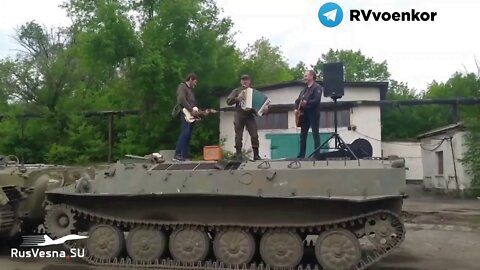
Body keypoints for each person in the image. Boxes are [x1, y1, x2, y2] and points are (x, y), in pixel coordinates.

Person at [226, 74, 265, 160]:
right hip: (239, 114)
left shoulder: (253, 92)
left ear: (249, 81)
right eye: (243, 80)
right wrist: (237, 99)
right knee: (238, 135)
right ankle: (238, 154)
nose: (245, 81)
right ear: (241, 81)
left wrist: (263, 110)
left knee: (254, 135)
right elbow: (228, 101)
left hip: (249, 116)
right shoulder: (236, 91)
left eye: (246, 79)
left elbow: (257, 107)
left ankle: (256, 155)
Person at [294, 70, 322, 159]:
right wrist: (295, 108)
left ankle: (316, 155)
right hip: (304, 114)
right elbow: (297, 100)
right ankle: (301, 155)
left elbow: (316, 100)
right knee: (303, 135)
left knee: (315, 133)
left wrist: (306, 103)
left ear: (311, 76)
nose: (304, 78)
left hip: (313, 113)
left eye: (306, 76)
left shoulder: (317, 87)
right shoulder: (304, 90)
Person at [173, 73, 199, 161]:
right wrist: (191, 110)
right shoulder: (182, 86)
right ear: (191, 79)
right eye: (195, 82)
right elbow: (181, 99)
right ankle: (178, 154)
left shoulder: (190, 90)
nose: (195, 84)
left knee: (188, 135)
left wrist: (196, 112)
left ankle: (184, 154)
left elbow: (192, 103)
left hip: (191, 115)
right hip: (184, 113)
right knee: (185, 132)